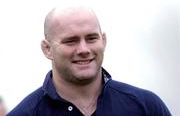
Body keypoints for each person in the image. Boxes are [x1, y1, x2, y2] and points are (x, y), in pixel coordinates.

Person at [7, 6, 171, 116]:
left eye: (92, 38)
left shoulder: (146, 107)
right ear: (47, 49)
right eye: (71, 41)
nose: (84, 50)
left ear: (104, 41)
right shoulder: (25, 113)